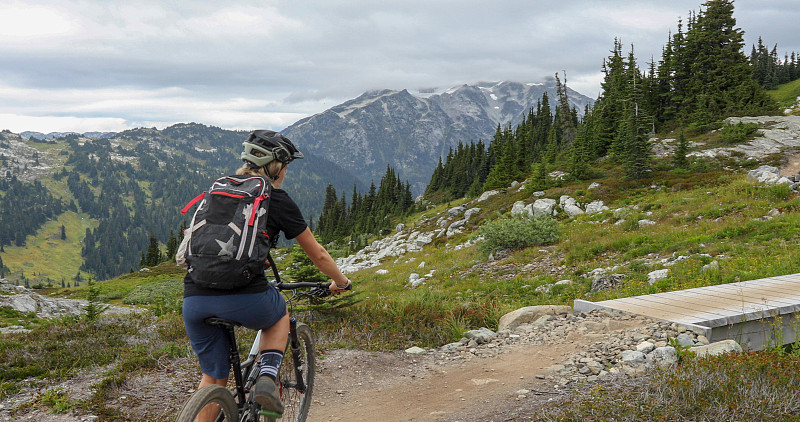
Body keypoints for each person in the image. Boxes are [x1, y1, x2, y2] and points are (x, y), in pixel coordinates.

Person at [181, 130, 352, 417]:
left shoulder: (219, 191)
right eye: (286, 166)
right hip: (245, 295)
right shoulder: (275, 198)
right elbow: (318, 254)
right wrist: (341, 282)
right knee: (279, 314)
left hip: (195, 298)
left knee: (213, 377)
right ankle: (267, 379)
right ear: (277, 166)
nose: (286, 172)